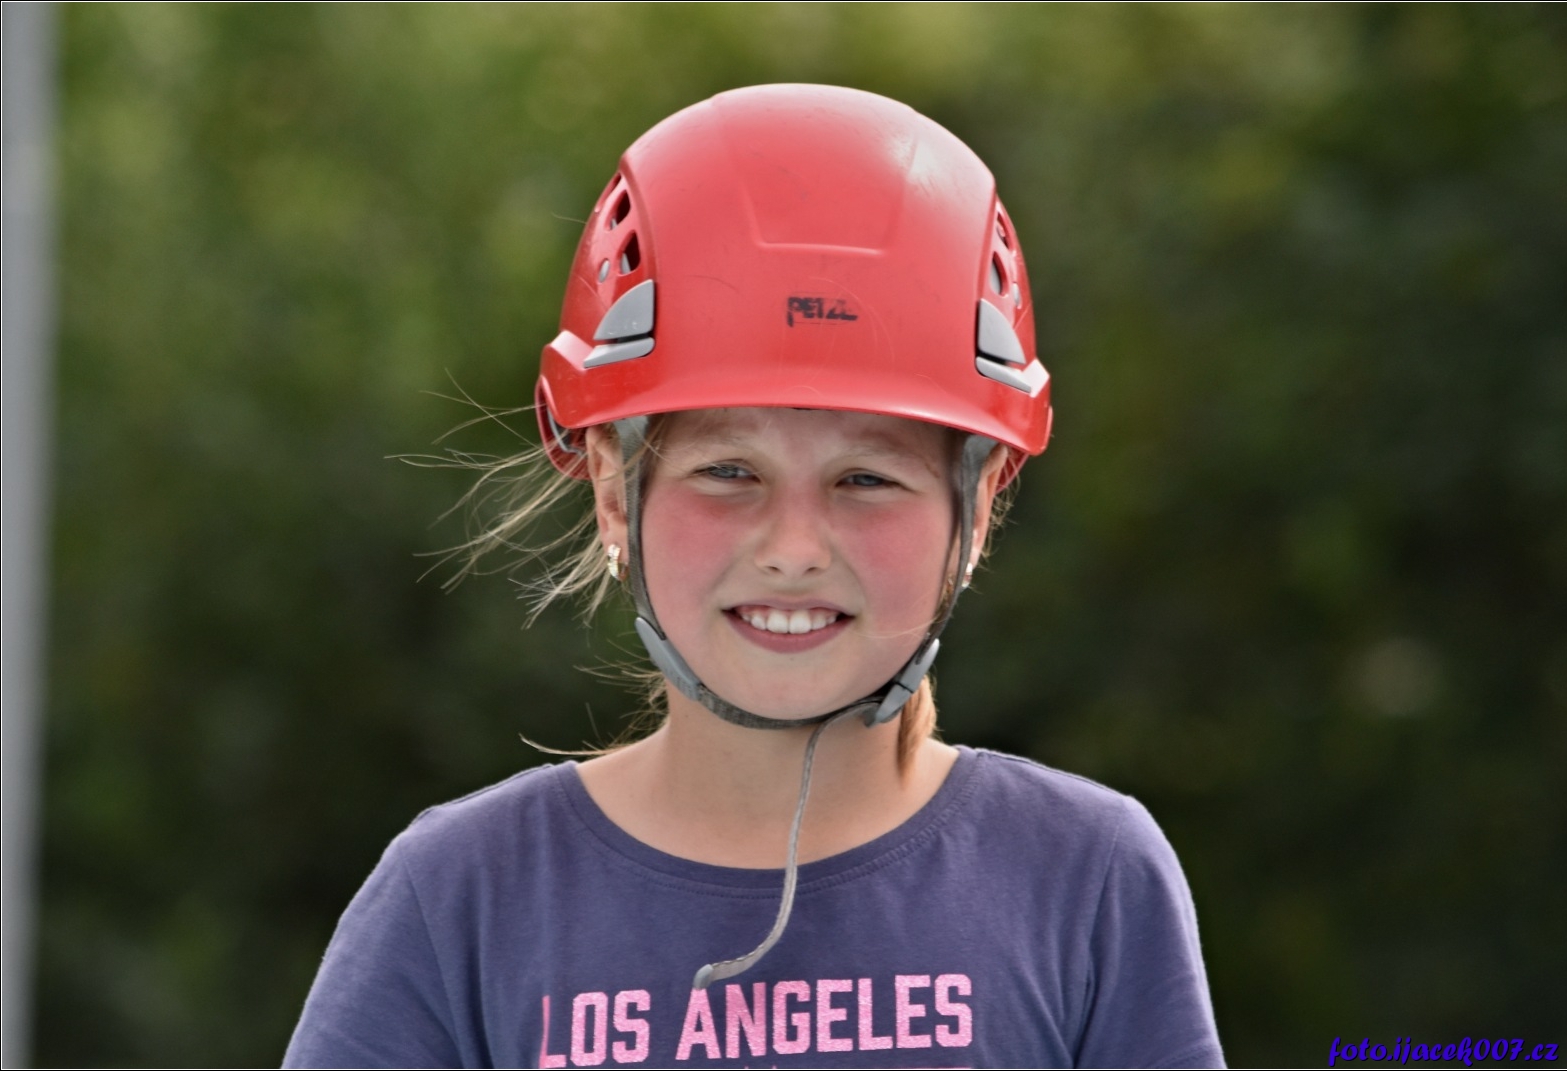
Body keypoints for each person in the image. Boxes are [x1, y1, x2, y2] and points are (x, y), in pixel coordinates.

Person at [284, 84, 1224, 1070]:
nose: (794, 546)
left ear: (978, 501)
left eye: (866, 479)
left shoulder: (1087, 880)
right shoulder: (458, 903)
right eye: (728, 472)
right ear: (611, 487)